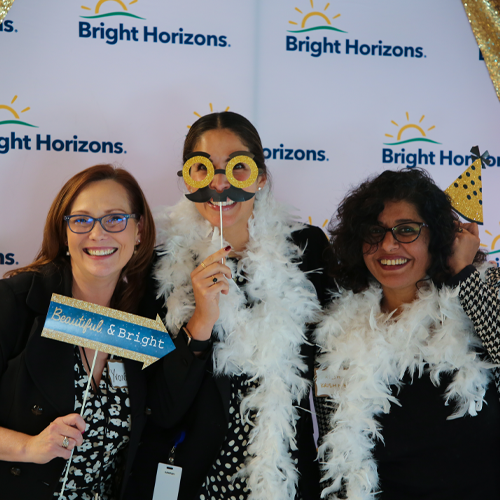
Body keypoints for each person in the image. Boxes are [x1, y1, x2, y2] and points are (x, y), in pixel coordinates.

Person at [128, 111, 330, 500]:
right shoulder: (161, 269)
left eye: (237, 168)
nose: (220, 185)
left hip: (284, 476)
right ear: (189, 179)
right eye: (204, 170)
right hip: (197, 481)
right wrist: (201, 320)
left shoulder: (308, 250)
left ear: (260, 177)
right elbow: (161, 409)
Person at [0, 164, 206, 500]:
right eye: (82, 220)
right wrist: (29, 447)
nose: (98, 234)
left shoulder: (138, 319)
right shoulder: (17, 302)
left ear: (138, 231)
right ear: (64, 232)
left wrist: (202, 322)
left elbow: (165, 411)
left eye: (115, 219)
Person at [315, 169, 500, 500]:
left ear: (438, 236)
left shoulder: (482, 295)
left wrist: (464, 272)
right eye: (375, 231)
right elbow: (339, 459)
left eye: (406, 230)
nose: (388, 245)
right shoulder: (339, 329)